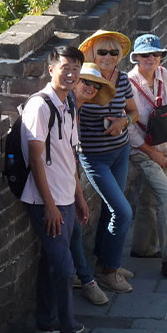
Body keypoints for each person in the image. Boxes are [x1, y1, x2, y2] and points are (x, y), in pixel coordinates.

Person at [20, 46, 88, 333]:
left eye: (76, 68)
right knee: (64, 267)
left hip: (65, 196)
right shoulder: (40, 106)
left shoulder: (69, 102)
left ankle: (45, 322)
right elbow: (36, 159)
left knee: (51, 261)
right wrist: (49, 205)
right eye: (65, 67)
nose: (71, 73)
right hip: (44, 200)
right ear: (51, 69)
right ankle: (67, 327)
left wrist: (79, 196)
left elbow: (68, 155)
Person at [126, 34, 167, 279]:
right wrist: (153, 153)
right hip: (142, 150)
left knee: (150, 198)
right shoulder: (128, 83)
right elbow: (130, 129)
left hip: (164, 147)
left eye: (155, 54)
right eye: (145, 54)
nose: (151, 58)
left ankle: (142, 248)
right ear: (136, 58)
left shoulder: (164, 75)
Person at [78, 30, 138, 294]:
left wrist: (123, 122)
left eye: (114, 52)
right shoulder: (85, 81)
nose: (108, 57)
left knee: (110, 209)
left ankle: (106, 264)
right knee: (123, 212)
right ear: (92, 53)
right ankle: (110, 272)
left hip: (120, 150)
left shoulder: (122, 79)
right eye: (102, 52)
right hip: (94, 156)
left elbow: (133, 111)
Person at [68, 63, 116, 306]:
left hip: (66, 177)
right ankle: (86, 280)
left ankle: (82, 276)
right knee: (73, 231)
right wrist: (79, 196)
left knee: (74, 231)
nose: (90, 87)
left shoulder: (76, 110)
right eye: (85, 81)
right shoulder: (65, 109)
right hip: (55, 182)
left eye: (96, 85)